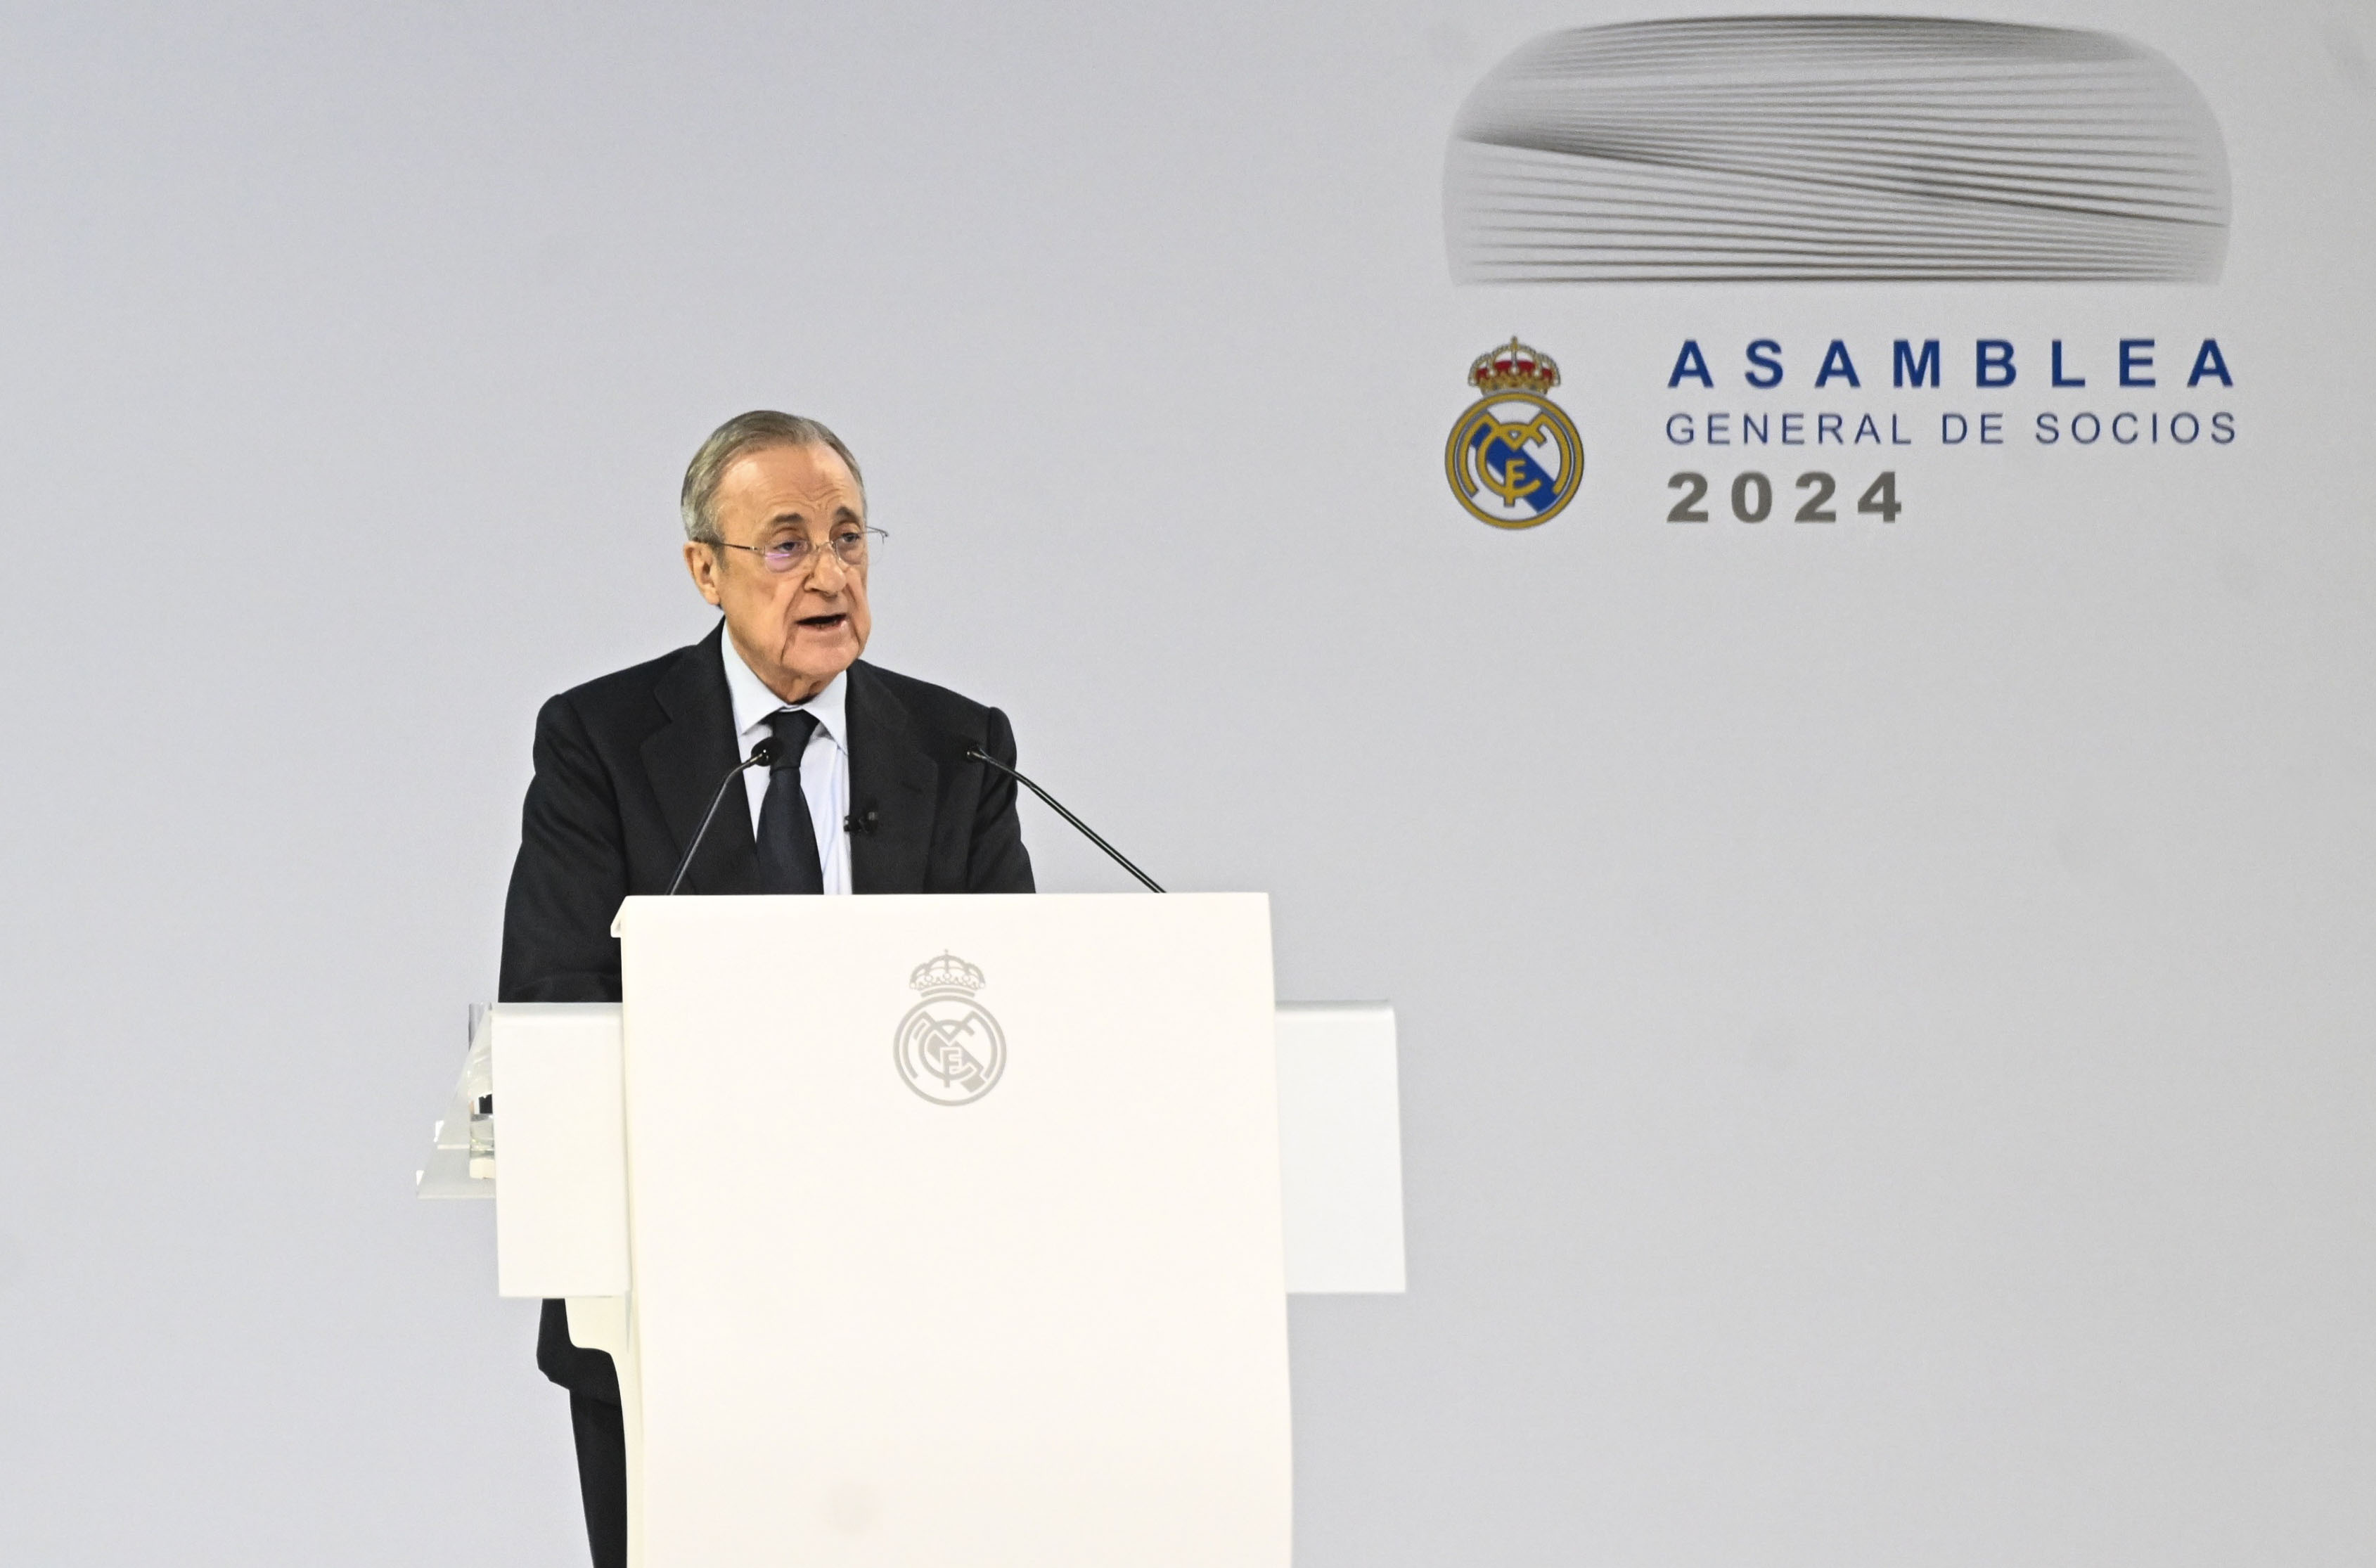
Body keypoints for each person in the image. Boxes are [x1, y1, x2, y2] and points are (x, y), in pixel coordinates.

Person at [496, 411, 1034, 1567]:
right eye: (786, 544)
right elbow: (555, 996)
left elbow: (1013, 1006)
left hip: (911, 1295)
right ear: (706, 570)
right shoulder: (598, 739)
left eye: (849, 536)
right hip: (672, 1296)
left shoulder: (962, 747)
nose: (830, 571)